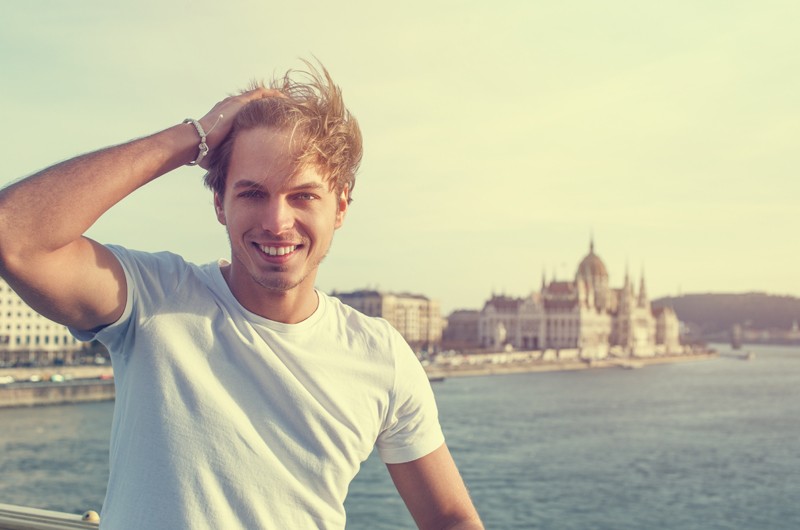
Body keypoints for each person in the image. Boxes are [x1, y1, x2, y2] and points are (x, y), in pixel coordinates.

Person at [0, 63, 483, 529]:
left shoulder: (380, 356)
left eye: (303, 195)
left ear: (341, 206)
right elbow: (13, 235)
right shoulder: (153, 300)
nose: (277, 221)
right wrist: (195, 135)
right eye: (252, 193)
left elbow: (449, 518)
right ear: (219, 204)